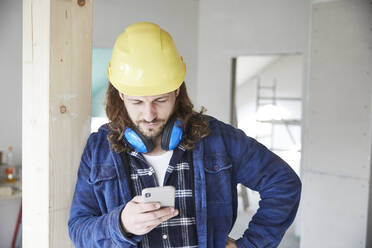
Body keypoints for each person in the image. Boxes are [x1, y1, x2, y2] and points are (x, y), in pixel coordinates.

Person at [68, 22, 302, 248]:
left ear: (177, 89)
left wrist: (250, 245)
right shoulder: (99, 147)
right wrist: (120, 225)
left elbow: (283, 183)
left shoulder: (217, 138)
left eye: (160, 99)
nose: (149, 115)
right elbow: (79, 230)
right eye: (137, 101)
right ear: (120, 94)